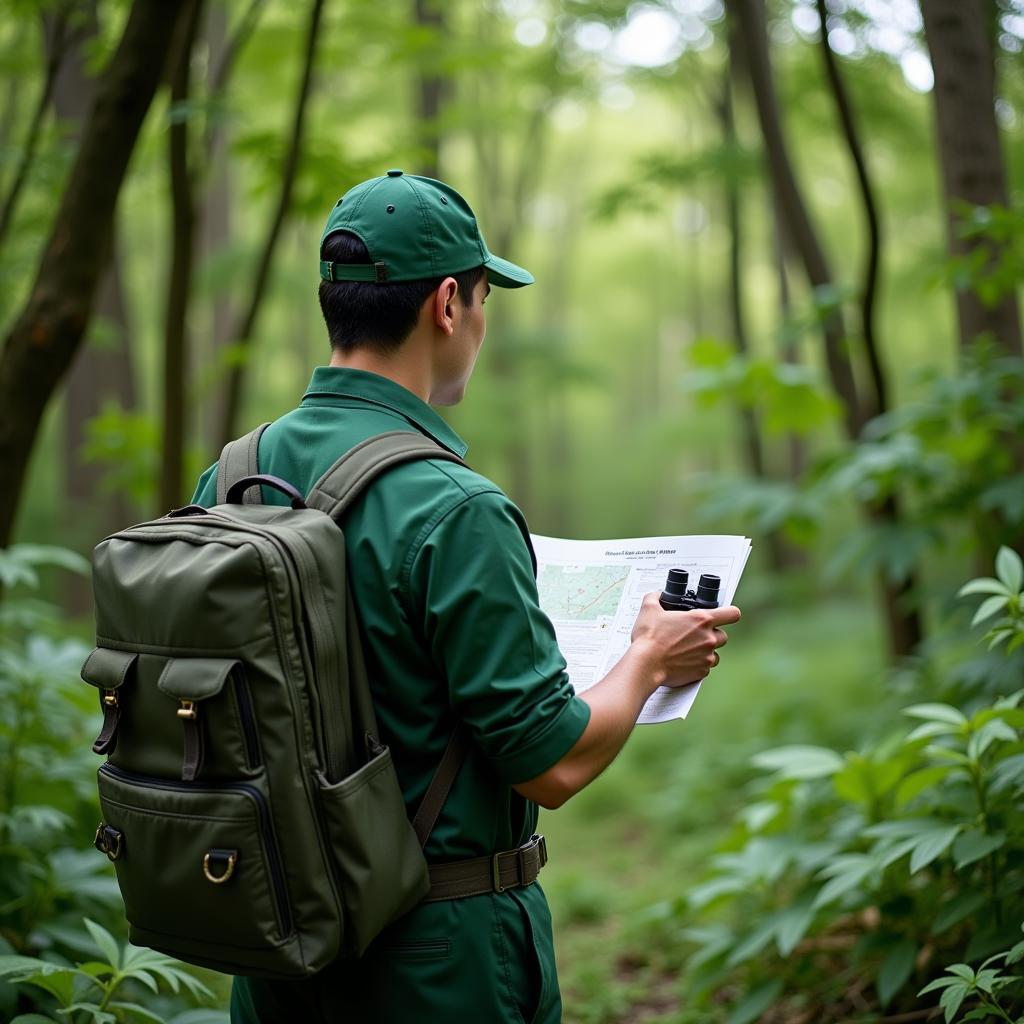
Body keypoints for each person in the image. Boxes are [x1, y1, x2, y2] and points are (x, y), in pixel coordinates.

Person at [190, 169, 740, 1023]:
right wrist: (649, 658)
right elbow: (552, 762)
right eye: (485, 298)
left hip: (275, 942)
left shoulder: (230, 476)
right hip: (437, 962)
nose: (480, 323)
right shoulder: (458, 509)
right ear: (449, 303)